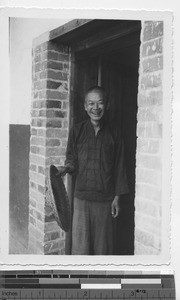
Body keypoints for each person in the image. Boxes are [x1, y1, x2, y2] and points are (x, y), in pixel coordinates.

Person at [57, 86, 129, 255]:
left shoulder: (115, 133)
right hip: (81, 199)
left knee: (103, 250)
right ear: (85, 106)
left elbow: (120, 166)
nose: (95, 108)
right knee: (80, 249)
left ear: (107, 105)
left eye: (100, 103)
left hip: (106, 200)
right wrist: (66, 168)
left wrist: (117, 198)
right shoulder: (77, 131)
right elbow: (72, 160)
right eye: (91, 103)